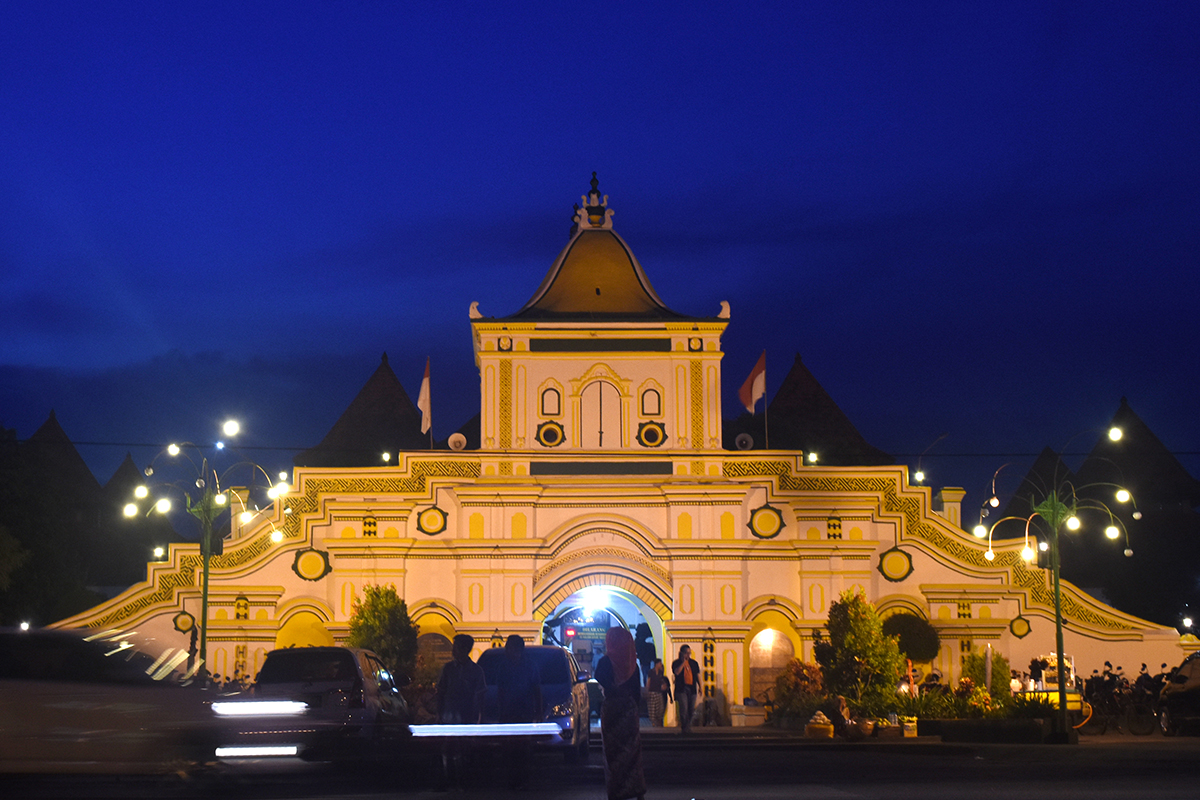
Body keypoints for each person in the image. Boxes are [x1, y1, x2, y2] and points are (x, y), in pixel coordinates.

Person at [595, 627, 646, 800]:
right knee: (632, 751)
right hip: (628, 709)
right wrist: (634, 710)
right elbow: (637, 692)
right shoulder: (633, 664)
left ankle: (617, 792)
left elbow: (600, 678)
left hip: (612, 710)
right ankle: (636, 790)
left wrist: (613, 690)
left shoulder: (605, 662)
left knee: (613, 753)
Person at [434, 634, 486, 790]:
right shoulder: (448, 669)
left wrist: (479, 718)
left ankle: (464, 781)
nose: (453, 650)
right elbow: (440, 692)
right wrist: (439, 713)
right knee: (447, 749)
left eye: (456, 647)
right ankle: (449, 780)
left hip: (466, 716)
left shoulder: (476, 671)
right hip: (449, 716)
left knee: (465, 750)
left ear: (465, 649)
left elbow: (481, 696)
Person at [496, 635, 542, 789]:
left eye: (510, 647)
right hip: (509, 712)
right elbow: (500, 690)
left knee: (523, 748)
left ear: (518, 650)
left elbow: (536, 690)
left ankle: (522, 778)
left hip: (524, 712)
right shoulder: (504, 666)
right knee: (509, 749)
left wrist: (538, 712)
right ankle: (512, 779)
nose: (508, 651)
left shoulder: (529, 666)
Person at [672, 644, 700, 734]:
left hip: (692, 689)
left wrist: (701, 687)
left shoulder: (694, 663)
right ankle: (685, 728)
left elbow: (697, 675)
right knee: (684, 708)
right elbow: (676, 672)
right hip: (682, 689)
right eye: (686, 653)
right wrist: (683, 663)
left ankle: (688, 726)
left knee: (691, 709)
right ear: (681, 653)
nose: (688, 655)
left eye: (689, 653)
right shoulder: (676, 663)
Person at [644, 659, 670, 727]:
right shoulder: (651, 672)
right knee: (652, 708)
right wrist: (647, 690)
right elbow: (648, 681)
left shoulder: (660, 672)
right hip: (652, 691)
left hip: (658, 691)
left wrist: (664, 685)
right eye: (660, 663)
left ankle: (658, 722)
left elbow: (661, 680)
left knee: (660, 708)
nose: (661, 665)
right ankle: (653, 724)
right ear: (657, 664)